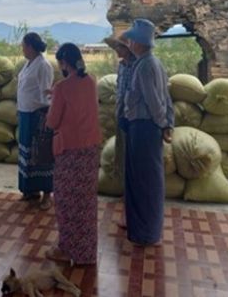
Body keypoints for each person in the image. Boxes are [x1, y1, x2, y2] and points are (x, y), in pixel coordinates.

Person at [44, 43, 101, 266]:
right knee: (86, 203)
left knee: (66, 202)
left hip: (69, 150)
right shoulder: (91, 81)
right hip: (90, 149)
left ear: (64, 63)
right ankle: (86, 253)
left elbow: (52, 122)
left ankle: (66, 250)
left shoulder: (62, 87)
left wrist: (53, 99)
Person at [122, 19, 174, 247]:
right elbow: (166, 98)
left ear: (139, 42)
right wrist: (168, 124)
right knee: (149, 179)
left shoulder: (144, 66)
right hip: (147, 127)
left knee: (144, 182)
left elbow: (154, 101)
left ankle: (146, 233)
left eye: (132, 39)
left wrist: (162, 124)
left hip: (144, 127)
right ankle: (147, 229)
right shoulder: (154, 63)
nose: (129, 43)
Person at [16, 32, 54, 210]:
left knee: (41, 154)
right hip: (26, 114)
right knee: (28, 154)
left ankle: (47, 195)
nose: (22, 49)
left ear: (30, 47)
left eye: (23, 46)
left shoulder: (43, 65)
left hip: (38, 115)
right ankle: (31, 190)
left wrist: (46, 115)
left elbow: (46, 92)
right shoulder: (28, 63)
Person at [104, 32, 135, 228]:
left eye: (119, 47)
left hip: (134, 120)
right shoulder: (122, 66)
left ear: (127, 48)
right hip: (121, 117)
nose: (116, 50)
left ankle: (130, 205)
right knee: (122, 158)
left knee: (132, 161)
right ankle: (126, 194)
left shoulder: (138, 66)